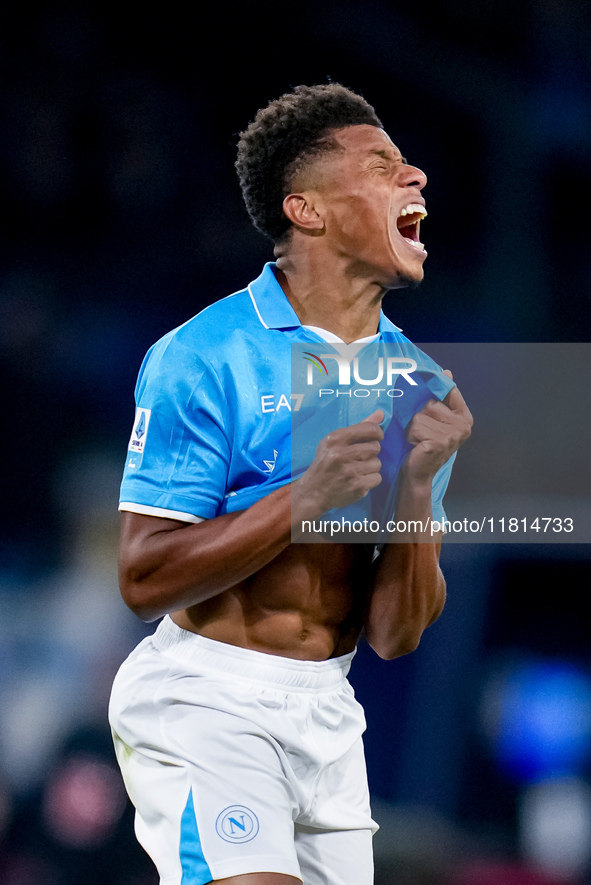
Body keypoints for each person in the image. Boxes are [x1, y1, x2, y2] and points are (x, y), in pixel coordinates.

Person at [109, 83, 472, 885]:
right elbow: (141, 578)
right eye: (382, 165)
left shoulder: (420, 383)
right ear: (304, 210)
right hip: (208, 695)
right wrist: (304, 498)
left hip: (329, 711)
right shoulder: (203, 355)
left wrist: (415, 486)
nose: (414, 177)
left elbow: (393, 633)